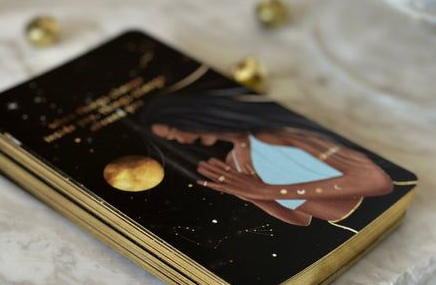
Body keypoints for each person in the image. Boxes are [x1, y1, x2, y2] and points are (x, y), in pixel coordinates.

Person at [142, 91, 393, 227]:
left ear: (191, 118)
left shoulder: (272, 134)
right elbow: (301, 219)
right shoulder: (233, 162)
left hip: (377, 210)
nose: (180, 140)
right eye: (172, 138)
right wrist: (255, 197)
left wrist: (267, 190)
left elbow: (375, 181)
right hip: (346, 230)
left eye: (176, 131)